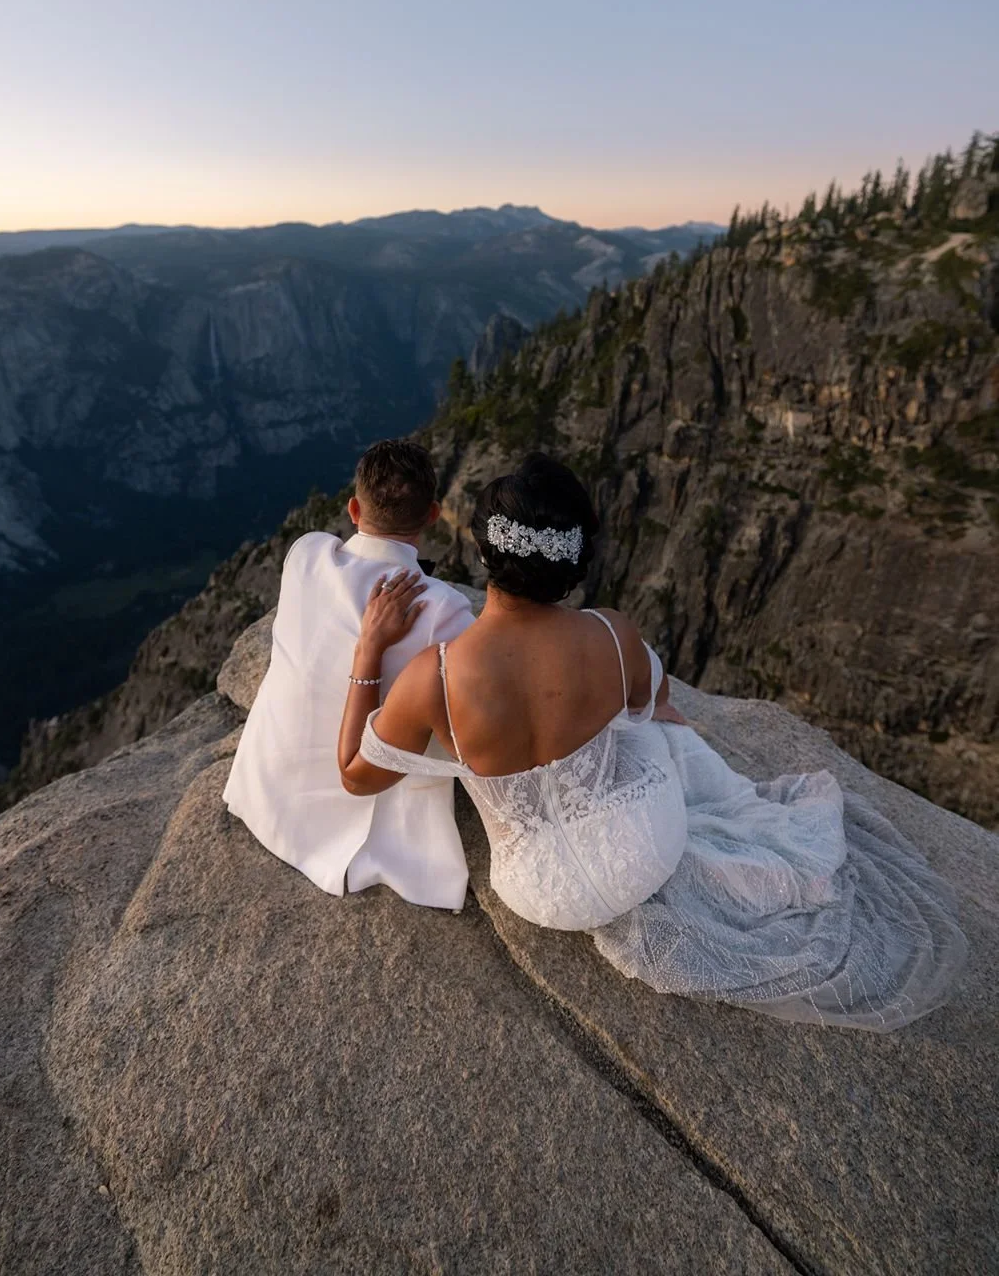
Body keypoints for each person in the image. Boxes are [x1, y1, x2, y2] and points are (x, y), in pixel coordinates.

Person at [337, 452, 967, 1030]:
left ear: (482, 551)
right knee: (653, 726)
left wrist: (369, 651)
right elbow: (648, 707)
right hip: (648, 848)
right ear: (574, 560)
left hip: (541, 893)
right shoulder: (613, 635)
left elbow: (355, 776)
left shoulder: (433, 678)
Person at [223, 439, 475, 908]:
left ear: (354, 509)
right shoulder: (441, 607)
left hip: (264, 788)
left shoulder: (306, 553)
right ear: (433, 515)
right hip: (347, 812)